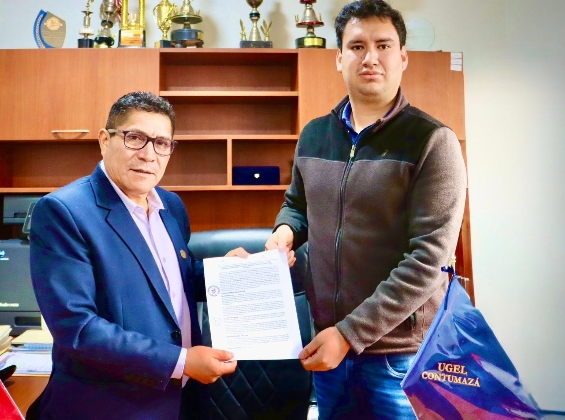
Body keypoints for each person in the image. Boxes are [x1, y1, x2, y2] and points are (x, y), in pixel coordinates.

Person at [265, 1, 467, 418]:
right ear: (340, 58)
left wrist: (348, 334)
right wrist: (285, 232)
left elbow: (428, 260)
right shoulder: (314, 134)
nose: (370, 57)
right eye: (357, 46)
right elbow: (297, 204)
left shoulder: (433, 141)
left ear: (402, 57)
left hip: (399, 357)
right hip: (328, 347)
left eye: (383, 45)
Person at [29, 91, 239, 419]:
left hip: (180, 400)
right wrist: (181, 361)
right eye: (135, 138)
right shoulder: (63, 211)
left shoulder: (171, 206)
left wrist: (226, 272)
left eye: (161, 143)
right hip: (110, 406)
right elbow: (77, 328)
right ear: (104, 140)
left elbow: (172, 283)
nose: (149, 155)